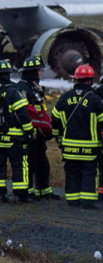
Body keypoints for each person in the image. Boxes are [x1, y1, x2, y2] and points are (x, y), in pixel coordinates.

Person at [0, 59, 35, 203]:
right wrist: (29, 132)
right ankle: (20, 194)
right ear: (8, 74)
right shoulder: (13, 92)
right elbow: (22, 114)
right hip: (14, 139)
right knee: (19, 165)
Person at [51, 64, 103, 209]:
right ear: (90, 81)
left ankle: (73, 200)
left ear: (76, 80)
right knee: (89, 172)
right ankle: (87, 201)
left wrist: (58, 137)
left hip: (69, 146)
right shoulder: (95, 99)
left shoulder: (64, 97)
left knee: (72, 171)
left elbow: (54, 119)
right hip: (90, 147)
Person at [15, 55, 60, 200]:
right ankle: (28, 191)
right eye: (39, 70)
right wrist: (30, 129)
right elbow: (22, 111)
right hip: (29, 132)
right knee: (30, 162)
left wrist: (45, 127)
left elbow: (41, 109)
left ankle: (44, 190)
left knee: (42, 162)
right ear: (32, 72)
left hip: (39, 132)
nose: (41, 73)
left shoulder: (36, 87)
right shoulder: (23, 88)